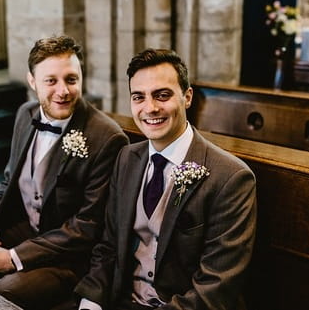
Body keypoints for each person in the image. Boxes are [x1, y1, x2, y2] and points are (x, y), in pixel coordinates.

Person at [0, 35, 129, 309]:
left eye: (71, 79)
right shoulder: (25, 113)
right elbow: (8, 182)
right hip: (21, 230)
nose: (63, 91)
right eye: (50, 80)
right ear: (32, 81)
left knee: (0, 294)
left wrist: (13, 258)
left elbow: (87, 227)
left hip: (67, 257)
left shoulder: (107, 138)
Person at [75, 48, 257, 309]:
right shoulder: (126, 158)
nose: (150, 108)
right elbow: (109, 247)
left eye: (162, 95)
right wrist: (90, 301)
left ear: (187, 97)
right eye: (139, 97)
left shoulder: (230, 178)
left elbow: (216, 287)